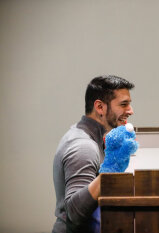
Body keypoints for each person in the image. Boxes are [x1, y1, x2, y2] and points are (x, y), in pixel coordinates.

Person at [52, 75, 135, 233]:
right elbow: (74, 212)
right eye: (124, 104)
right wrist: (110, 172)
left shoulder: (88, 135)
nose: (130, 111)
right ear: (100, 107)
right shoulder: (84, 146)